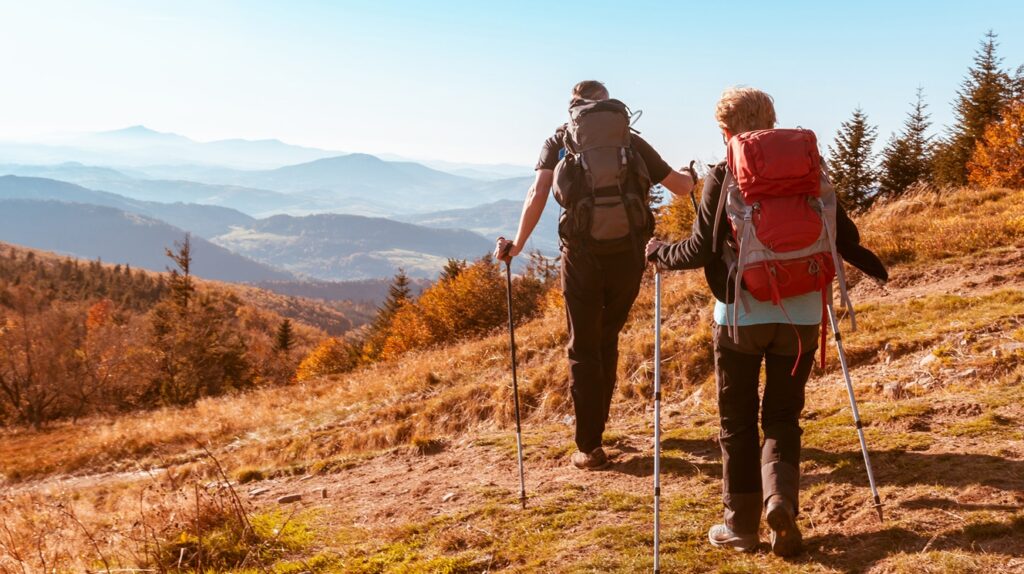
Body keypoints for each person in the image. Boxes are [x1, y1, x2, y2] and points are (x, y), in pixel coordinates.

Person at [646, 87, 888, 556]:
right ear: (772, 121)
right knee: (782, 417)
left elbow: (697, 250)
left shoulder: (724, 174)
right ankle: (782, 504)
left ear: (725, 130)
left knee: (736, 422)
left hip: (740, 318)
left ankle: (741, 526)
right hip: (801, 318)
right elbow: (845, 235)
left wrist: (657, 251)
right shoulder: (809, 170)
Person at [495, 80, 695, 471]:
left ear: (573, 107)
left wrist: (517, 244)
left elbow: (537, 193)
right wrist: (690, 174)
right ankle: (599, 424)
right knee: (607, 338)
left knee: (582, 346)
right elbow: (681, 188)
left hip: (581, 255)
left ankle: (590, 444)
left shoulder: (559, 141)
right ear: (610, 107)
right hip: (628, 255)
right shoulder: (631, 142)